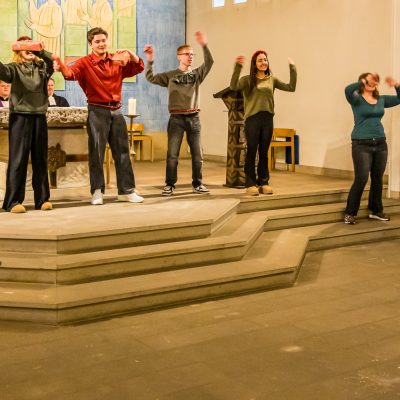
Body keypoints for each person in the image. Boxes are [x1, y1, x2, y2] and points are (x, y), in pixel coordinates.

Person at [53, 27, 144, 205]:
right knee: (97, 153)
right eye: (97, 41)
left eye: (103, 40)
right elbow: (69, 74)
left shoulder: (116, 60)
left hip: (117, 111)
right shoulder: (84, 63)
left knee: (123, 152)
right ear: (91, 44)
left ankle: (126, 191)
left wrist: (130, 53)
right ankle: (97, 192)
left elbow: (138, 67)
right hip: (97, 111)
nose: (101, 44)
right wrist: (60, 65)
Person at [144, 31, 214, 196]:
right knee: (172, 155)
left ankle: (197, 184)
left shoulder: (196, 75)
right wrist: (150, 60)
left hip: (193, 118)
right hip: (176, 119)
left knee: (197, 154)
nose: (190, 57)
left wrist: (204, 45)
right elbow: (151, 78)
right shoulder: (170, 76)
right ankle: (169, 185)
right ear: (179, 57)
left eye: (192, 54)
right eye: (186, 54)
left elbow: (209, 62)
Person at [230, 51, 297, 196]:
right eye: (260, 60)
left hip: (267, 118)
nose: (263, 63)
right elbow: (233, 86)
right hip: (252, 119)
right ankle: (250, 183)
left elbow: (291, 87)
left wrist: (292, 68)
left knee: (264, 152)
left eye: (265, 60)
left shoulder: (272, 79)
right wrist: (237, 67)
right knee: (252, 151)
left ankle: (264, 182)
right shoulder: (247, 80)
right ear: (254, 64)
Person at [0, 36, 53, 213]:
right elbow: (2, 72)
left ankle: (42, 200)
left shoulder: (42, 67)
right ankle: (13, 202)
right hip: (20, 117)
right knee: (18, 160)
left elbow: (51, 63)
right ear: (18, 51)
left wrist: (40, 50)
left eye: (31, 45)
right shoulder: (13, 68)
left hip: (39, 116)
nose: (29, 49)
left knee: (40, 159)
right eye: (24, 46)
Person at [343, 73, 400, 224]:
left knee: (377, 179)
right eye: (369, 80)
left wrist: (396, 85)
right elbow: (347, 90)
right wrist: (362, 82)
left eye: (374, 80)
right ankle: (350, 212)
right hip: (361, 144)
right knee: (361, 178)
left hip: (380, 144)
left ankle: (376, 210)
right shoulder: (356, 99)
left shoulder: (381, 99)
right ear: (363, 82)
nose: (372, 82)